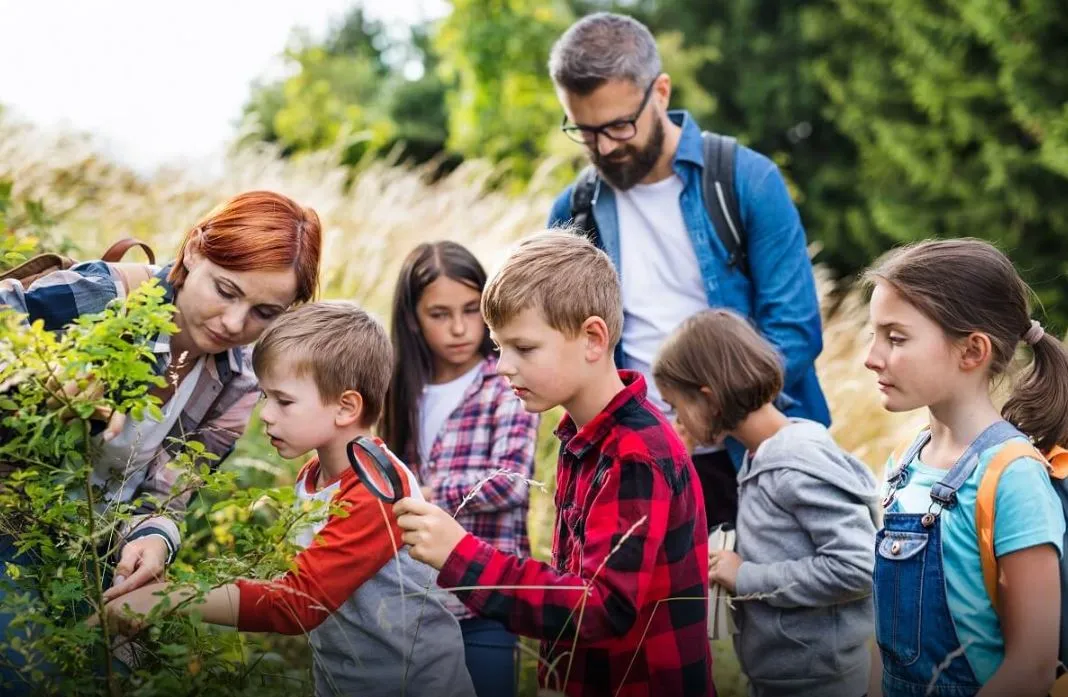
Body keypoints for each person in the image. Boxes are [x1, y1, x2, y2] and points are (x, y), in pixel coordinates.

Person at [0, 190, 322, 693]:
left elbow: (169, 492)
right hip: (12, 525)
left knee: (102, 677)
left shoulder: (237, 380)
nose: (235, 324)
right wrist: (42, 374)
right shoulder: (109, 297)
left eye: (264, 311)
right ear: (194, 250)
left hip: (92, 554)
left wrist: (154, 537)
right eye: (226, 290)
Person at [393, 231, 713, 697]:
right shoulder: (581, 439)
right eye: (500, 347)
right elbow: (575, 580)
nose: (503, 366)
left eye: (523, 348)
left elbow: (600, 607)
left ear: (592, 338)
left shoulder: (636, 455)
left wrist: (461, 556)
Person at [100, 301, 476, 697]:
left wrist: (167, 599)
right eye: (265, 396)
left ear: (346, 407)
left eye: (284, 400)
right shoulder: (314, 478)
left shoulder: (375, 489)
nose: (266, 414)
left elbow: (298, 605)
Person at [546, 12, 829, 528]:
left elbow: (795, 331)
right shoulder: (572, 212)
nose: (604, 147)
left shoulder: (747, 181)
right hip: (634, 463)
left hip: (756, 458)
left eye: (618, 126)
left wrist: (701, 421)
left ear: (661, 91)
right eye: (585, 132)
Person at [864, 238, 1066, 697]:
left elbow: (1032, 667)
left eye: (895, 338)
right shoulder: (903, 467)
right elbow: (886, 642)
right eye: (873, 335)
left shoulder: (1013, 477)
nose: (872, 357)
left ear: (972, 351)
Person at [653, 308, 876, 697]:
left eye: (677, 407)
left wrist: (745, 576)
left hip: (823, 682)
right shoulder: (758, 458)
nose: (678, 422)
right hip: (782, 677)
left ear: (710, 399)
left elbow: (858, 567)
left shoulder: (795, 466)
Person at [380, 241, 538, 697]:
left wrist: (424, 494)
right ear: (412, 317)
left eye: (472, 310)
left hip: (484, 598)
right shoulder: (399, 390)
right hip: (413, 602)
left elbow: (510, 482)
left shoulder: (507, 381)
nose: (459, 329)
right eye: (439, 314)